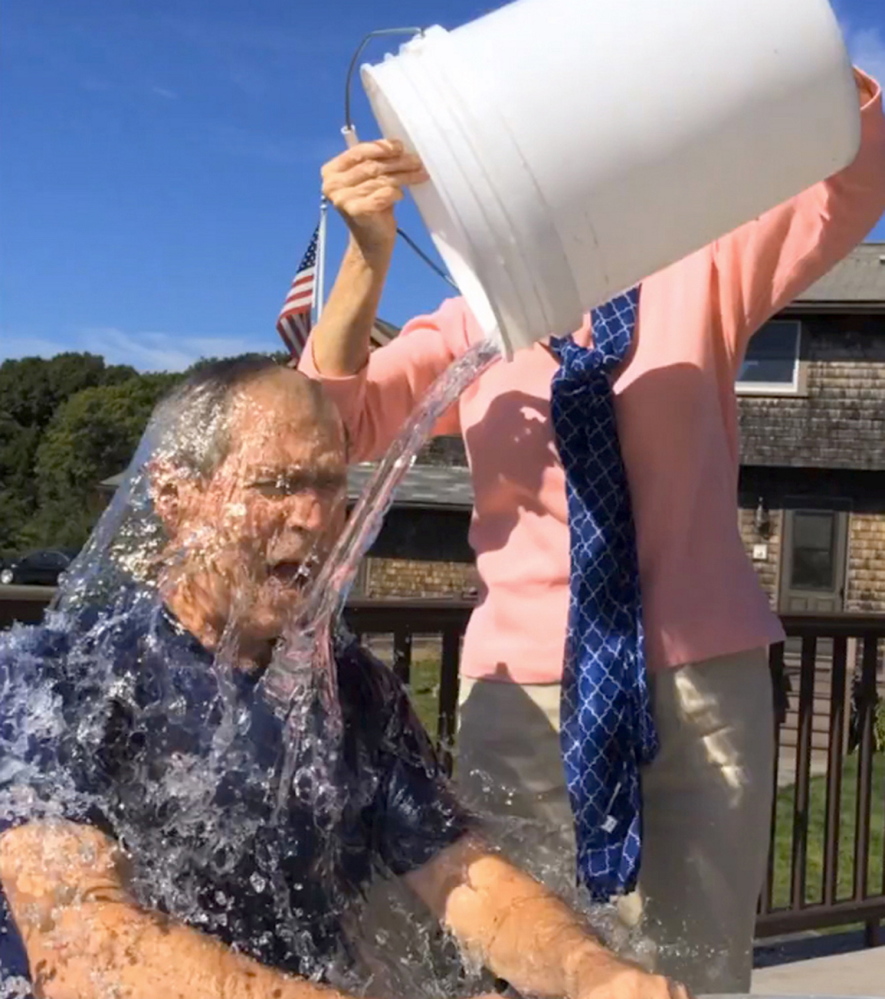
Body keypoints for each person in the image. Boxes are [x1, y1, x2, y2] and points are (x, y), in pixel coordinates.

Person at [299, 67, 885, 992]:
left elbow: (854, 178)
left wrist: (787, 52)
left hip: (702, 683)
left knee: (700, 961)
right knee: (524, 963)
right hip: (518, 699)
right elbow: (330, 424)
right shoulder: (469, 325)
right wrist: (367, 254)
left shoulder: (705, 270)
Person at [0, 358, 686, 999]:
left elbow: (465, 877)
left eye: (330, 485)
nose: (315, 517)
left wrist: (592, 972)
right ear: (175, 494)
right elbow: (80, 944)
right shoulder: (59, 676)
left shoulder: (349, 689)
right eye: (275, 484)